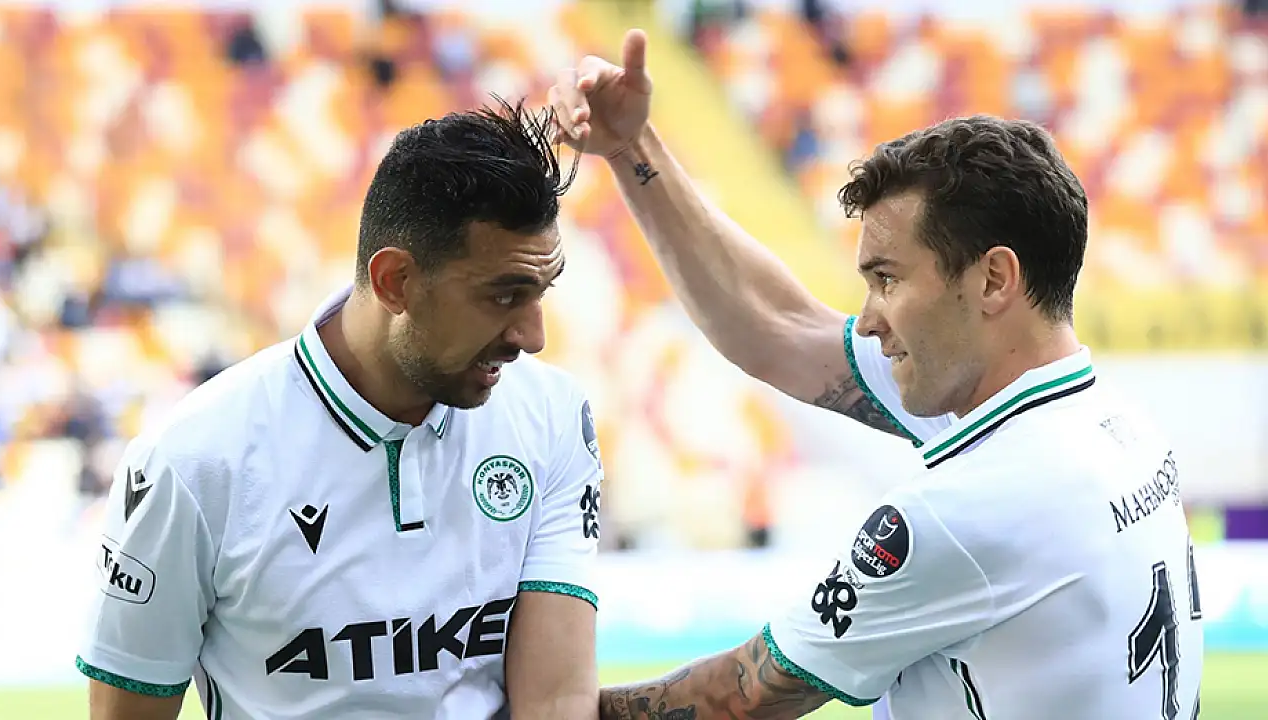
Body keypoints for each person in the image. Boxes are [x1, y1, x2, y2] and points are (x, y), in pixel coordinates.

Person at [548, 30, 1203, 720]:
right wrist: (632, 149)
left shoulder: (971, 507)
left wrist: (542, 711)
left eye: (887, 279)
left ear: (993, 280)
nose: (867, 321)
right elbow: (778, 327)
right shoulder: (1112, 425)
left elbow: (739, 696)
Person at [76, 99, 604, 720]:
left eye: (541, 291)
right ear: (395, 282)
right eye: (504, 296)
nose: (532, 336)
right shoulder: (193, 461)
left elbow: (557, 701)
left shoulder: (552, 417)